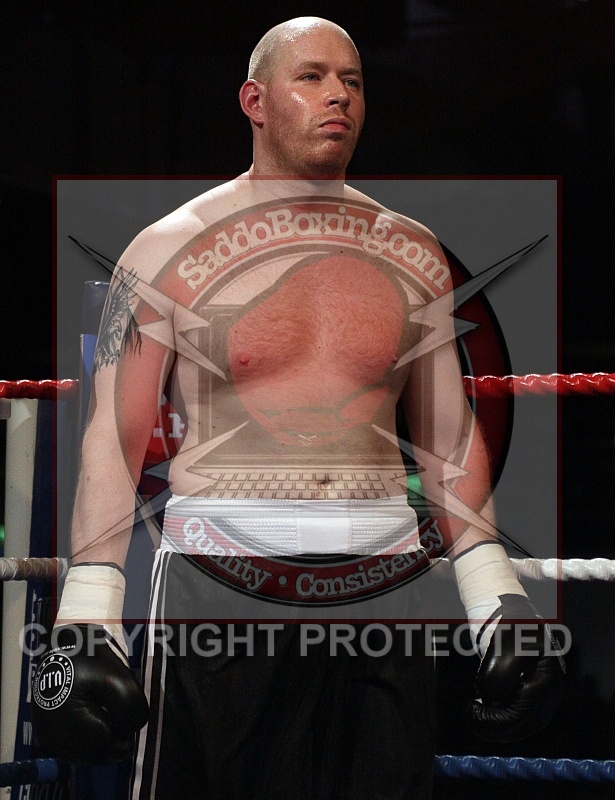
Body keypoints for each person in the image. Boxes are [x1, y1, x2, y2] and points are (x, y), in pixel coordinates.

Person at [32, 17, 564, 800]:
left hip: (386, 578)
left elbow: (449, 438)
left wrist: (494, 600)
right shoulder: (168, 249)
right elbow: (114, 440)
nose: (337, 96)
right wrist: (88, 611)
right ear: (255, 100)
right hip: (220, 577)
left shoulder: (414, 254)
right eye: (311, 77)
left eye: (352, 81)